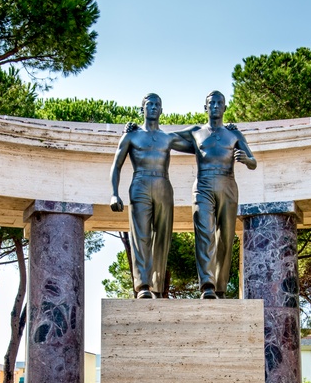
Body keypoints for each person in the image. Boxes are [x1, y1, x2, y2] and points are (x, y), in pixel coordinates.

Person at [109, 93, 192, 298]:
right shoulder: (131, 136)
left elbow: (199, 145)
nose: (153, 107)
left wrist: (222, 132)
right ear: (142, 109)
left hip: (163, 184)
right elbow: (116, 165)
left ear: (162, 110)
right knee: (141, 236)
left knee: (162, 237)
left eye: (157, 105)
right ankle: (143, 286)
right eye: (149, 104)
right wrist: (114, 194)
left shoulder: (168, 137)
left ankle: (156, 286)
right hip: (140, 183)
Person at [182, 90, 257, 299]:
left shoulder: (234, 134)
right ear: (205, 107)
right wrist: (134, 132)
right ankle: (207, 285)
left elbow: (253, 162)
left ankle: (220, 288)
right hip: (203, 184)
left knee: (225, 238)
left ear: (225, 107)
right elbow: (165, 139)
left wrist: (245, 158)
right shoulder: (195, 132)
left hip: (228, 184)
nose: (215, 106)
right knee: (204, 234)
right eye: (211, 103)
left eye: (219, 103)